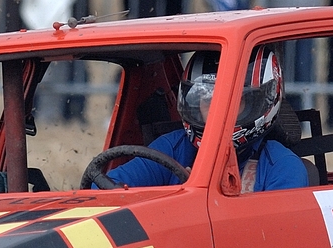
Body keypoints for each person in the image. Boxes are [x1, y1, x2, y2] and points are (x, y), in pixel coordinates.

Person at [107, 52, 308, 192]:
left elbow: (275, 234)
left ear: (259, 103)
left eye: (232, 100)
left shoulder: (283, 166)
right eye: (206, 100)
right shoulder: (172, 148)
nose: (216, 110)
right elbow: (104, 188)